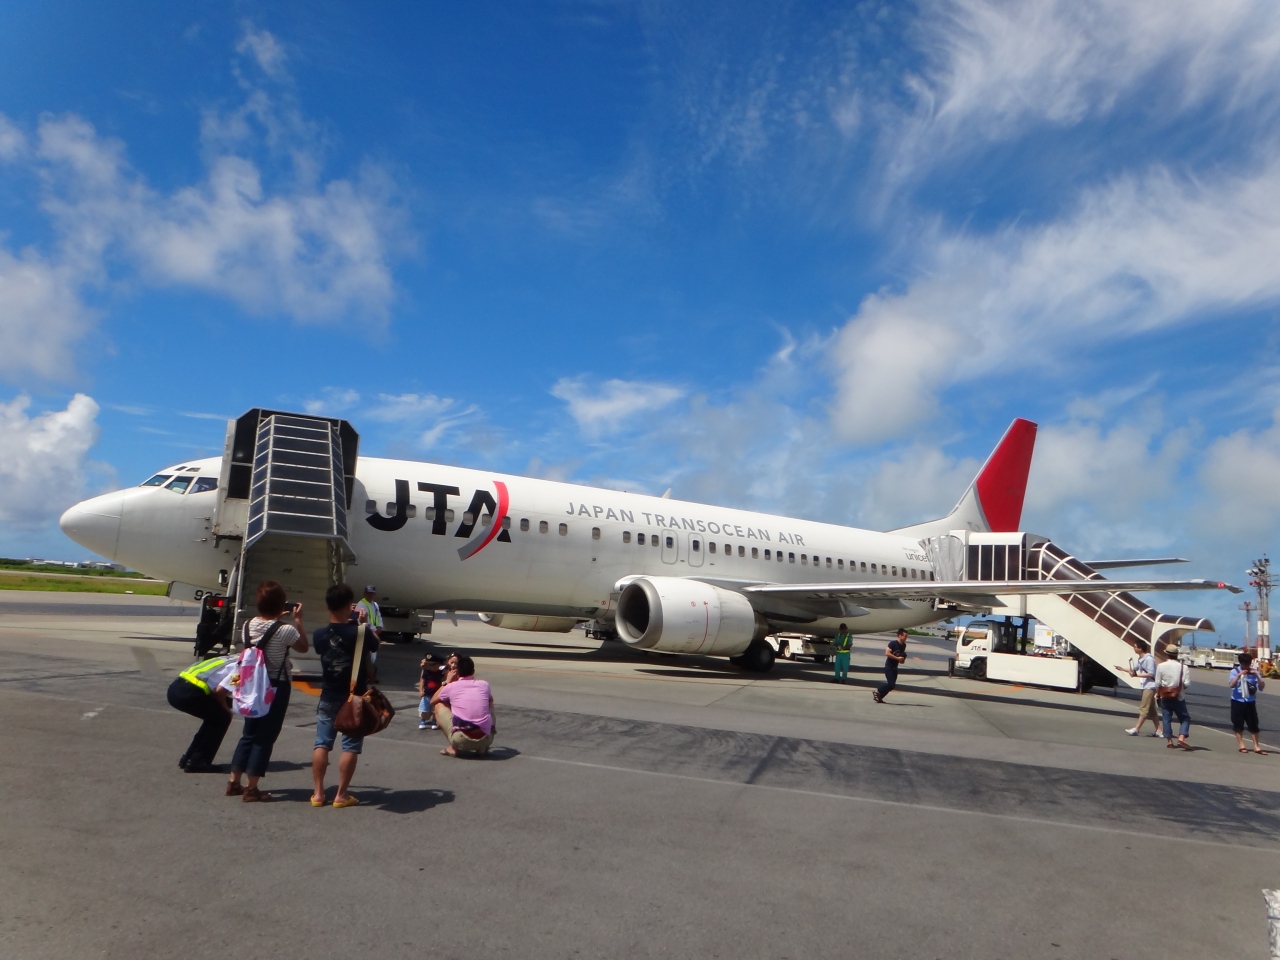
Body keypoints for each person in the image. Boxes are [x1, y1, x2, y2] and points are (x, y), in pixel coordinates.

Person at [226, 582, 308, 802]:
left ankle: (233, 781)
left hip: (251, 684)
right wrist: (298, 621)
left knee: (249, 733)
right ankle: (251, 788)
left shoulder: (248, 625)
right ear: (282, 605)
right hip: (275, 685)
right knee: (266, 736)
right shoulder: (285, 629)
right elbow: (303, 647)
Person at [311, 582, 379, 808]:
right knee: (350, 745)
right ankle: (341, 795)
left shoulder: (320, 635)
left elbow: (324, 649)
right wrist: (362, 624)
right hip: (353, 698)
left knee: (322, 743)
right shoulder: (360, 632)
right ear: (349, 606)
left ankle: (318, 793)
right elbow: (375, 645)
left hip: (329, 695)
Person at [167, 653, 237, 772]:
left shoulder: (229, 658)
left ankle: (189, 758)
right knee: (222, 718)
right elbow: (220, 691)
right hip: (190, 694)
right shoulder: (243, 669)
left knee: (213, 717)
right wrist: (227, 710)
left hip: (176, 689)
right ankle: (198, 761)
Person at [431, 655, 494, 757]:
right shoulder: (484, 685)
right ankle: (481, 747)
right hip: (486, 738)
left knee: (438, 705)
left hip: (460, 739)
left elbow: (433, 701)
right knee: (489, 703)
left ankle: (453, 748)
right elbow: (490, 701)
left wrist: (446, 682)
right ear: (473, 671)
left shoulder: (451, 686)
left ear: (458, 672)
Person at [1117, 639, 1161, 737]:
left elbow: (1151, 673)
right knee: (1151, 710)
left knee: (1144, 708)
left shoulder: (1148, 659)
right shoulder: (1141, 659)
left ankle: (1136, 729)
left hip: (1150, 686)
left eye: (1135, 647)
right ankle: (1159, 730)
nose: (1134, 648)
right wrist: (1122, 669)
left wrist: (1136, 675)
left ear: (1140, 649)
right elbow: (1134, 669)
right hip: (1146, 686)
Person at [1153, 643, 1192, 750]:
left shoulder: (1161, 666)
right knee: (1185, 718)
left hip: (1165, 696)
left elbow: (1157, 683)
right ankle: (1181, 737)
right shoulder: (1184, 667)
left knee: (1166, 718)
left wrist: (1158, 694)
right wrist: (1179, 689)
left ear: (1166, 654)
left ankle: (1170, 742)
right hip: (1179, 696)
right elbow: (1187, 684)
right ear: (1176, 655)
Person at [1228, 652, 1268, 755]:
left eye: (1248, 664)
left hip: (1250, 701)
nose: (1246, 666)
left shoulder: (1254, 672)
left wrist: (1257, 676)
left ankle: (1256, 746)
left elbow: (1262, 687)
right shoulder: (1234, 671)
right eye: (1244, 664)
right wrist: (1238, 675)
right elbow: (1231, 685)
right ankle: (1241, 745)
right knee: (1238, 723)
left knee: (1253, 724)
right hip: (1237, 701)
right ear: (1240, 663)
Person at [873, 628, 908, 703]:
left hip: (895, 667)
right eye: (905, 636)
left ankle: (879, 697)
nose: (906, 638)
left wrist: (902, 660)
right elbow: (887, 653)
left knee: (892, 686)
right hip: (889, 666)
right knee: (891, 684)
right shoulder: (892, 643)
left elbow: (900, 658)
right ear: (899, 635)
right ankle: (878, 691)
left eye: (906, 636)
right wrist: (897, 658)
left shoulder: (904, 645)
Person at [418, 654, 446, 730]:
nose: (431, 667)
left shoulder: (440, 673)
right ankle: (422, 720)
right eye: (429, 665)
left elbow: (444, 679)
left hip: (436, 694)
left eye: (433, 665)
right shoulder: (427, 672)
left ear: (438, 665)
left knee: (434, 709)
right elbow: (422, 681)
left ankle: (434, 720)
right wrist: (420, 690)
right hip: (427, 694)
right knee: (424, 709)